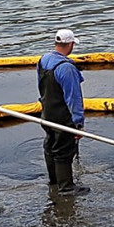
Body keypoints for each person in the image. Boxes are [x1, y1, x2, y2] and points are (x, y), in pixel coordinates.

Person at [37, 29, 89, 196]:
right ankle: (66, 186)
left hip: (47, 112)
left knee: (50, 145)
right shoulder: (66, 68)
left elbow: (41, 86)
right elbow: (73, 98)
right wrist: (78, 123)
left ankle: (54, 180)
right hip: (62, 116)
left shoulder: (44, 60)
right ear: (70, 44)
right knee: (64, 150)